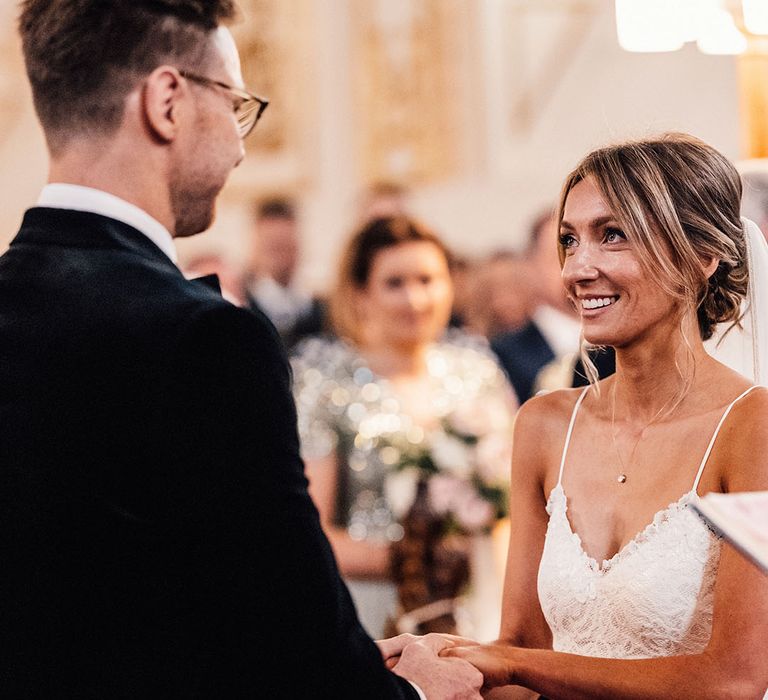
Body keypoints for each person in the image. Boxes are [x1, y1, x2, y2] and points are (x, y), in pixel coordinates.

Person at [2, 2, 483, 698]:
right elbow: (292, 644)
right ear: (167, 100)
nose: (240, 144)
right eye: (234, 104)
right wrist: (415, 690)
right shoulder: (203, 338)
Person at [382, 134, 768, 698]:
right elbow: (520, 645)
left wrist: (510, 664)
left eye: (612, 236)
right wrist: (437, 669)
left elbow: (734, 677)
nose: (577, 269)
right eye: (569, 240)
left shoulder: (751, 427)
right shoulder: (544, 425)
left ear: (701, 257)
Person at [292, 216, 516, 641]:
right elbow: (308, 532)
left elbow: (515, 497)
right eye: (395, 283)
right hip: (372, 608)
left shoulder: (477, 373)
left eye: (428, 280)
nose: (415, 299)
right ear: (360, 295)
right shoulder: (324, 384)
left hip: (481, 601)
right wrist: (416, 561)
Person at [245, 197, 327, 350]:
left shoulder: (322, 310)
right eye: (272, 249)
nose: (280, 259)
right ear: (255, 249)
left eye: (286, 247)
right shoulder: (243, 308)